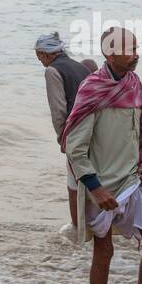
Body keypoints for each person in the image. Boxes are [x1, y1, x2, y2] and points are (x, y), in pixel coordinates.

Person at [63, 27, 142, 284]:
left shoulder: (134, 83)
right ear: (109, 54)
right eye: (129, 49)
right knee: (103, 250)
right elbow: (74, 147)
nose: (136, 54)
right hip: (103, 183)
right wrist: (95, 187)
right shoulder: (92, 89)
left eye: (136, 47)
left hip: (134, 180)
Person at [35, 31, 91, 228]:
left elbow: (58, 109)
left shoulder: (52, 71)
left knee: (73, 183)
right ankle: (95, 224)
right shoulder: (80, 67)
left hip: (75, 132)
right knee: (91, 177)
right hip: (92, 130)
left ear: (47, 53)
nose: (39, 60)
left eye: (39, 55)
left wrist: (62, 138)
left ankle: (78, 228)